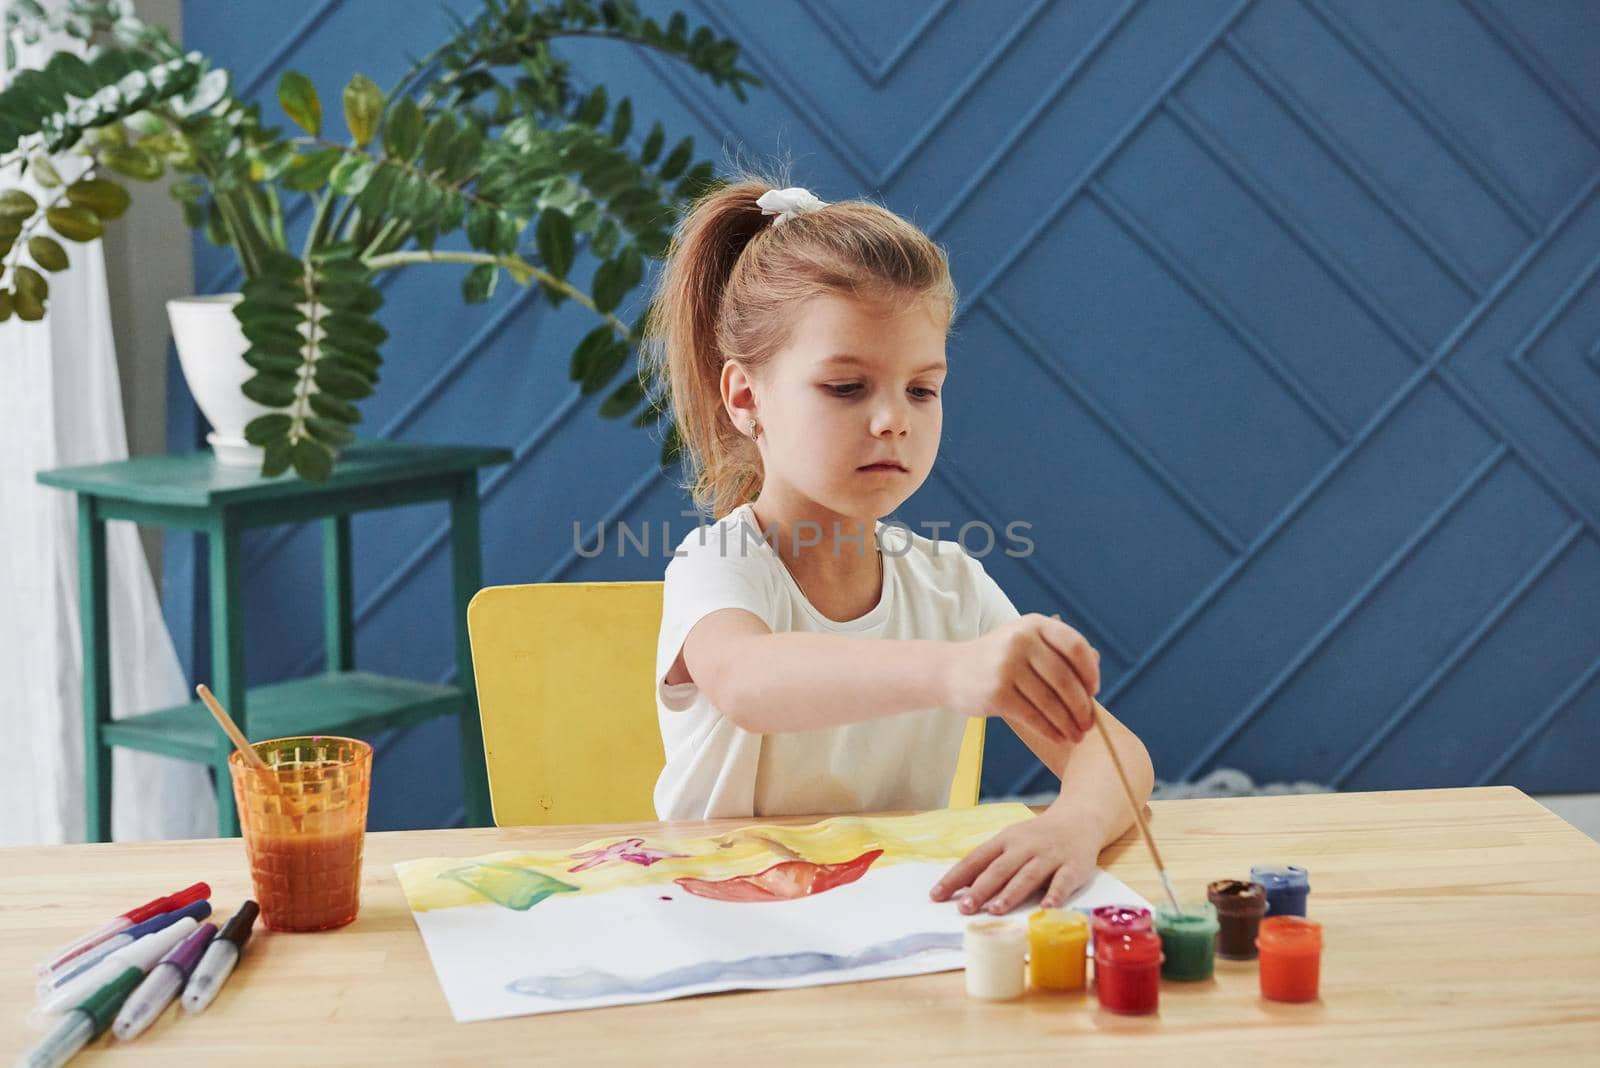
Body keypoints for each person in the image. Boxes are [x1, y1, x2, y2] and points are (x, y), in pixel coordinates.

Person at [642, 174, 1154, 915]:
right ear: (747, 399)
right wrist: (952, 671)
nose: (893, 420)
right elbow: (750, 682)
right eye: (847, 388)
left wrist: (1070, 827)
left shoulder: (949, 583)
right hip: (721, 929)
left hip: (890, 927)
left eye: (922, 388)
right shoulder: (716, 565)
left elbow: (1117, 757)